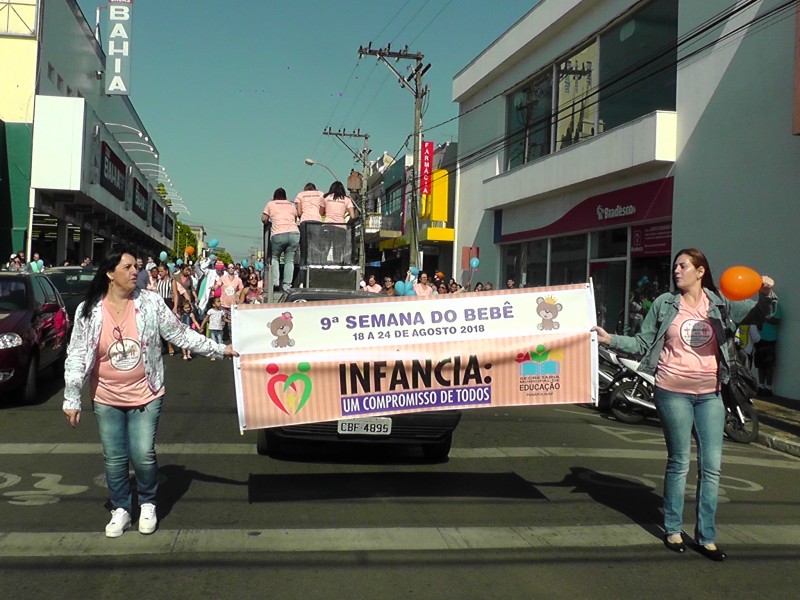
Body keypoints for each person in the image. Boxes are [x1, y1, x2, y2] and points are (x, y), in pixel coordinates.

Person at [592, 248, 776, 561]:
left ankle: (707, 537)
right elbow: (642, 342)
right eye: (676, 266)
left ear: (700, 271)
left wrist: (767, 293)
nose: (677, 271)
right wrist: (611, 339)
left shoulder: (719, 303)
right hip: (672, 390)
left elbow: (760, 314)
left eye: (683, 266)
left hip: (711, 394)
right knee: (680, 461)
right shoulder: (665, 304)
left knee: (712, 467)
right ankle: (673, 528)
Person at [61, 249, 237, 538]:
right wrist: (71, 397)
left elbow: (180, 335)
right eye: (128, 267)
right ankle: (120, 508)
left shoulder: (151, 303)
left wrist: (220, 349)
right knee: (115, 457)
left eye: (136, 267)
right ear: (110, 273)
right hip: (106, 395)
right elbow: (77, 354)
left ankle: (147, 503)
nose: (135, 272)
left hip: (147, 392)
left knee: (142, 454)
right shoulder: (89, 309)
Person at [261, 187, 300, 291]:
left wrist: (268, 222)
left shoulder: (271, 204)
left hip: (278, 233)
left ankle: (275, 282)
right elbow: (295, 218)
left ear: (275, 196)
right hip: (294, 233)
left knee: (274, 257)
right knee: (289, 260)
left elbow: (263, 218)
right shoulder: (291, 204)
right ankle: (287, 285)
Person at [322, 181, 355, 264]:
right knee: (338, 251)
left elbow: (320, 212)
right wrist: (348, 223)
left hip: (327, 226)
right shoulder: (347, 199)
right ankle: (336, 269)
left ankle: (322, 268)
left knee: (325, 250)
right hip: (341, 228)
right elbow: (353, 216)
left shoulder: (326, 197)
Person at [754, 300, 781, 396]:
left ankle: (768, 388)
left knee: (769, 365)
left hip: (770, 339)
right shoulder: (758, 306)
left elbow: (777, 320)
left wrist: (765, 318)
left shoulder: (775, 306)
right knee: (760, 364)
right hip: (759, 338)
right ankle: (761, 386)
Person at [295, 183, 325, 265]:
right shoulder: (320, 194)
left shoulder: (300, 195)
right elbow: (322, 210)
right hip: (317, 222)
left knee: (304, 250)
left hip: (305, 222)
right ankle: (316, 270)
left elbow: (299, 212)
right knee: (316, 249)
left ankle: (303, 272)